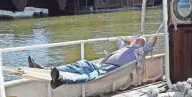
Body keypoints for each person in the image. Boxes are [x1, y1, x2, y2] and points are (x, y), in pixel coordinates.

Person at [28, 35, 157, 89]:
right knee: (81, 64)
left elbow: (153, 40)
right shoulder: (124, 48)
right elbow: (120, 38)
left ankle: (61, 80)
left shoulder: (140, 52)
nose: (137, 40)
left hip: (111, 69)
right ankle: (46, 69)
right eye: (137, 39)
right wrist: (132, 39)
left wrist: (141, 40)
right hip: (103, 64)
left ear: (141, 44)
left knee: (90, 75)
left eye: (139, 40)